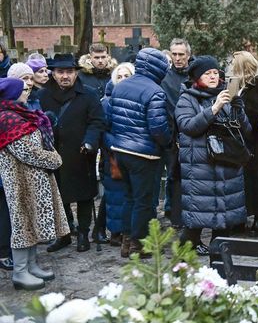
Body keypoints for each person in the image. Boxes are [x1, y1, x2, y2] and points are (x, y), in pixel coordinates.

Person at [175, 56, 251, 253]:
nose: (213, 77)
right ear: (196, 77)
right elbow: (188, 126)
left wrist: (238, 110)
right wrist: (214, 108)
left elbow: (246, 130)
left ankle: (219, 257)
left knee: (224, 219)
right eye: (207, 73)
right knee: (197, 217)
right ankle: (186, 256)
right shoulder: (187, 98)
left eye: (215, 73)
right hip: (200, 168)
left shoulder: (227, 95)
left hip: (227, 164)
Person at [0, 77, 69, 290]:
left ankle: (31, 265)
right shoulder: (7, 119)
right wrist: (54, 159)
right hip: (20, 182)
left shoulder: (20, 113)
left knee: (32, 223)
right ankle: (20, 272)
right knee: (22, 225)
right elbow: (27, 152)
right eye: (22, 89)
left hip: (34, 179)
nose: (27, 91)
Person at [107, 48, 172, 258]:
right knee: (144, 201)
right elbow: (158, 129)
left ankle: (126, 242)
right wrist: (168, 142)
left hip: (121, 151)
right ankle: (139, 245)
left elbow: (111, 119)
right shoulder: (155, 91)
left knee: (129, 197)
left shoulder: (119, 86)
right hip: (145, 155)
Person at [38, 54, 105, 253]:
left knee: (84, 195)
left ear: (76, 73)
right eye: (60, 72)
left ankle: (83, 232)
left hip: (81, 153)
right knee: (58, 196)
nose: (65, 76)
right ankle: (64, 233)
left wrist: (90, 141)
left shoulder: (89, 94)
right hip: (52, 154)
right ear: (53, 74)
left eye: (69, 72)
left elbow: (97, 121)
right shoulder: (42, 96)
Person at [230, 51, 258, 237]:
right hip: (243, 140)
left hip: (257, 140)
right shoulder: (238, 84)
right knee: (244, 182)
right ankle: (243, 217)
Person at [100, 62, 135, 247]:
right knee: (115, 195)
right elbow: (102, 129)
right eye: (119, 76)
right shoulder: (107, 102)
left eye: (126, 76)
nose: (122, 79)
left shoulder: (137, 98)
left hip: (134, 153)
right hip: (114, 154)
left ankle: (129, 229)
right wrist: (116, 145)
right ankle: (115, 231)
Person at [159, 38, 192, 226]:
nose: (178, 58)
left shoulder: (194, 76)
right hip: (171, 136)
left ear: (188, 55)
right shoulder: (164, 77)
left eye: (181, 54)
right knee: (173, 175)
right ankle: (174, 212)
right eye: (175, 54)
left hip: (192, 133)